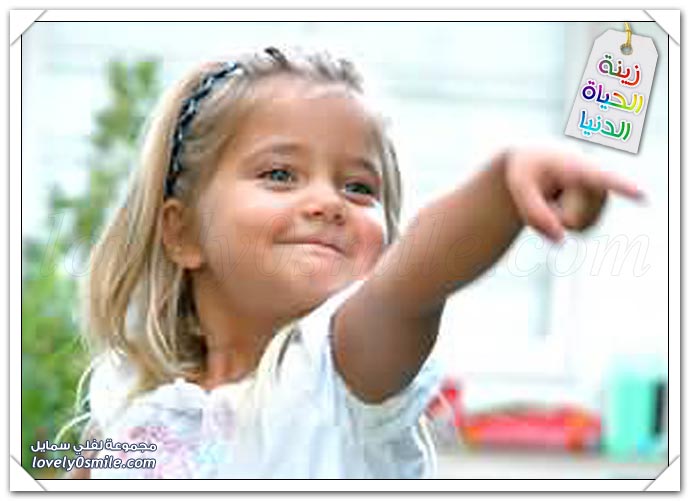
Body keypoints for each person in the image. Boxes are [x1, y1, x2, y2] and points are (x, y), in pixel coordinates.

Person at [60, 46, 643, 479]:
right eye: (280, 174)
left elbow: (414, 279)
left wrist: (504, 183)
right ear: (183, 232)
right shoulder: (129, 404)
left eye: (359, 187)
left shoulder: (340, 375)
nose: (328, 202)